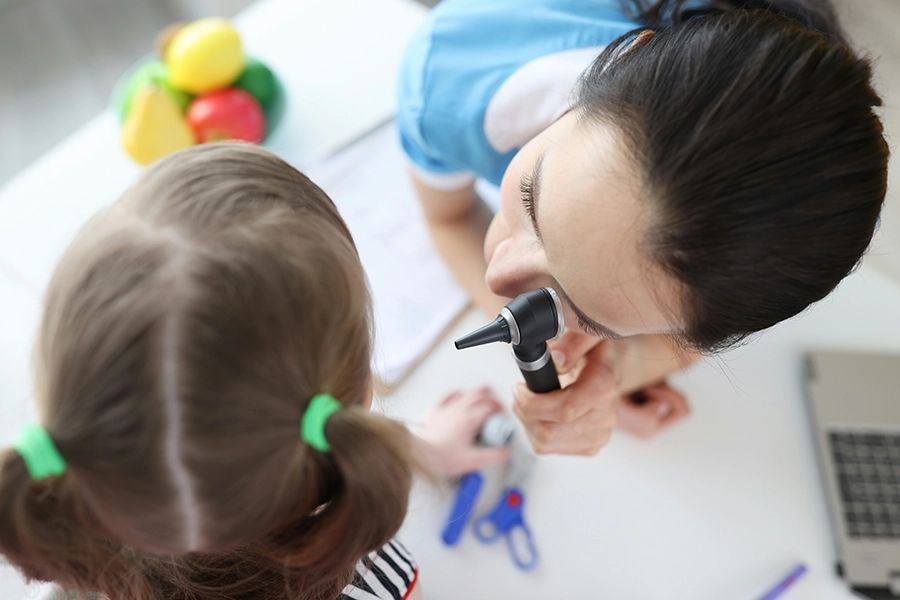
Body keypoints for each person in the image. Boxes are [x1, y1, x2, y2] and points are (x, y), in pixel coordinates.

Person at [0, 144, 509, 600]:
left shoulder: (73, 523)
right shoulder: (375, 583)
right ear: (357, 394)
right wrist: (414, 454)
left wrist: (419, 450)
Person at [397, 0, 889, 454]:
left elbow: (681, 344)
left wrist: (613, 371)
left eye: (590, 315)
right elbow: (448, 216)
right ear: (624, 57)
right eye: (529, 198)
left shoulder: (773, 237)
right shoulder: (444, 80)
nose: (498, 278)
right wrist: (578, 333)